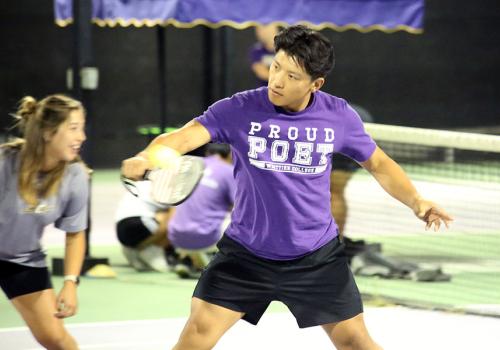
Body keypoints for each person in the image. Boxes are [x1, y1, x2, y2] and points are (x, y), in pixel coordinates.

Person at [122, 25, 453, 350]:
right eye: (275, 67)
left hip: (315, 257)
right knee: (197, 334)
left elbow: (379, 164)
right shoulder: (240, 108)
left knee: (355, 342)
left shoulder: (337, 116)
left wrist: (417, 201)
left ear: (315, 83)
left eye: (292, 76)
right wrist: (146, 156)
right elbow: (183, 136)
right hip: (246, 255)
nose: (277, 80)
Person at [0, 94, 88, 349]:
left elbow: (75, 234)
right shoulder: (5, 163)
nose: (81, 137)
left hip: (22, 260)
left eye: (82, 128)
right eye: (73, 129)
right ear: (49, 133)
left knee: (56, 339)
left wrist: (70, 282)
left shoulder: (75, 176)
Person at [168, 143, 235, 279]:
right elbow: (238, 206)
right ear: (230, 154)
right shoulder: (229, 171)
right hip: (206, 237)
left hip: (175, 236)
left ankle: (187, 258)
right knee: (241, 219)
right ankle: (215, 261)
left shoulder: (190, 167)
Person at [115, 180, 176, 272]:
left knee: (164, 214)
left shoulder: (142, 184)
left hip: (120, 230)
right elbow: (169, 225)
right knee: (175, 219)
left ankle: (132, 249)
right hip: (141, 223)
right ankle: (151, 250)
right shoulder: (173, 190)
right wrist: (144, 245)